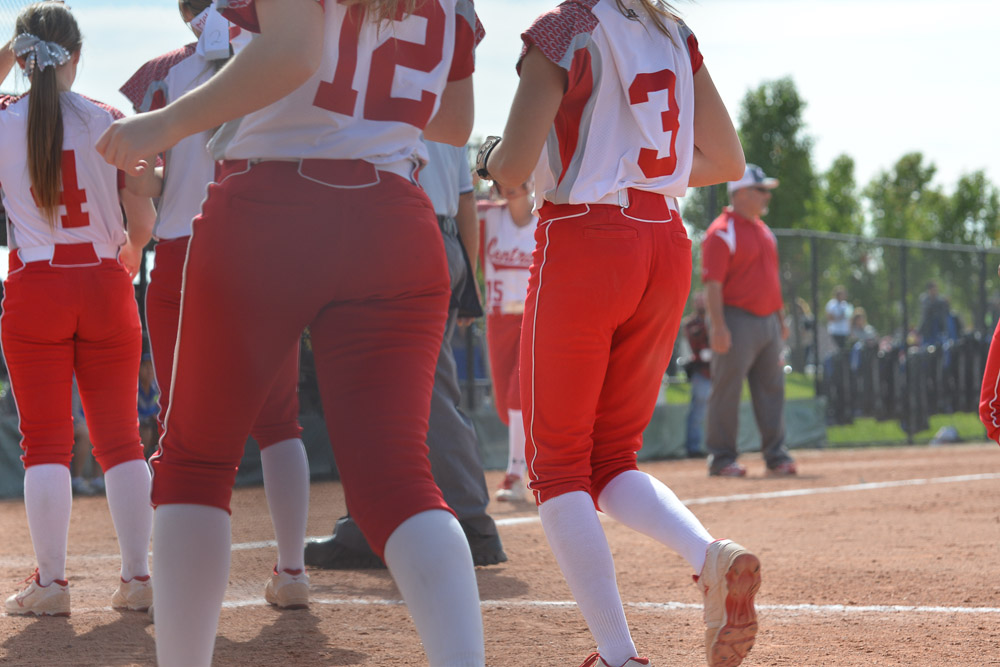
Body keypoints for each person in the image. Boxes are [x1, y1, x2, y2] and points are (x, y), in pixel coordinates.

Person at [97, 1, 486, 665]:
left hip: (270, 206)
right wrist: (359, 107)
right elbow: (454, 120)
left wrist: (165, 122)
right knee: (398, 483)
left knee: (196, 464)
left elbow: (294, 54)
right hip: (395, 214)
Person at [477, 2, 760, 665]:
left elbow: (512, 168)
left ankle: (617, 653)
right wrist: (638, 169)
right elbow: (727, 159)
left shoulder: (563, 27)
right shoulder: (675, 31)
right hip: (665, 241)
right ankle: (708, 554)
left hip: (585, 237)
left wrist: (488, 156)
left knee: (557, 468)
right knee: (610, 459)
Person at [119, 0, 311, 609]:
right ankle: (293, 570)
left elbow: (142, 180)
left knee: (181, 426)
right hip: (266, 247)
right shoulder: (283, 49)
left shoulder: (162, 74)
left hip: (185, 250)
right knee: (279, 423)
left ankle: (174, 583)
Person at [0, 2, 156, 617]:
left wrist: (13, 52)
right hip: (105, 282)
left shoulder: (5, 118)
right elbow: (141, 215)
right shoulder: (110, 119)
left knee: (44, 443)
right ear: (79, 56)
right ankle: (138, 578)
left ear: (21, 55)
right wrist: (131, 250)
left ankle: (52, 585)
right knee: (122, 439)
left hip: (36, 285)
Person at [304, 138, 507, 569]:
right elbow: (465, 200)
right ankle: (413, 520)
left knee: (387, 389)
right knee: (424, 386)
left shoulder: (376, 108)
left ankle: (455, 522)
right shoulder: (444, 109)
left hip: (388, 232)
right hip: (439, 238)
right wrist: (465, 279)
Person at [701, 164, 798, 479]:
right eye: (761, 189)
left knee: (773, 389)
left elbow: (772, 281)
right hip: (736, 319)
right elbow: (712, 284)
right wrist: (718, 326)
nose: (766, 195)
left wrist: (780, 319)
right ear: (740, 192)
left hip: (768, 321)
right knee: (727, 390)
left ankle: (776, 456)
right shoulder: (721, 231)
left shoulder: (765, 231)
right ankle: (721, 458)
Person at [479, 180, 535, 500]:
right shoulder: (486, 215)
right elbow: (451, 207)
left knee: (518, 394)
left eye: (518, 174)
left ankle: (515, 473)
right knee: (505, 406)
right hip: (498, 317)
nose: (511, 181)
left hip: (535, 316)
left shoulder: (547, 216)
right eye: (504, 175)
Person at [681, 290, 711, 458]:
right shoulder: (690, 323)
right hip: (701, 372)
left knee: (717, 411)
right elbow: (695, 337)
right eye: (699, 301)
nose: (702, 304)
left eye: (704, 300)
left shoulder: (715, 319)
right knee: (698, 411)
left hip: (717, 372)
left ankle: (716, 447)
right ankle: (693, 447)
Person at [825, 285, 853, 350]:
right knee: (836, 350)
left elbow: (849, 319)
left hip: (845, 332)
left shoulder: (845, 304)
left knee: (844, 350)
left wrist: (850, 331)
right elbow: (829, 318)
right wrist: (840, 317)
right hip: (835, 332)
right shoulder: (831, 304)